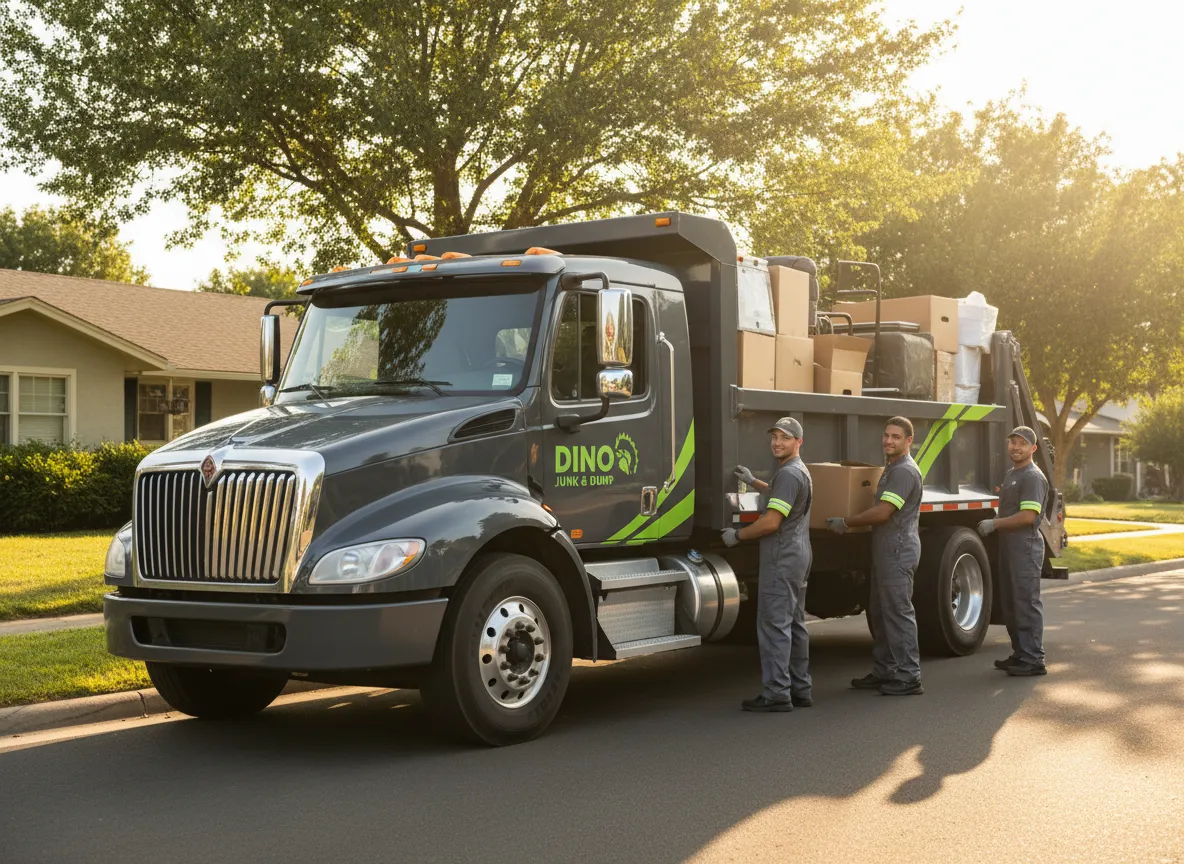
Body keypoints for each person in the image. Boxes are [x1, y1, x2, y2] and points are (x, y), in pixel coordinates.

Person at [826, 416, 924, 696]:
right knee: (881, 613)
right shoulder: (892, 468)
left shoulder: (904, 471)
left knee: (898, 613)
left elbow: (883, 512)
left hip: (898, 550)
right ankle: (885, 670)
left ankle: (909, 676)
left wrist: (846, 522)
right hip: (887, 550)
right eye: (886, 435)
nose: (889, 441)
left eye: (896, 437)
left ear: (908, 441)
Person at [721, 417, 813, 712]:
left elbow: (771, 522)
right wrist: (754, 482)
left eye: (784, 438)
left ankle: (776, 692)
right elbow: (778, 495)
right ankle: (800, 688)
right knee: (795, 624)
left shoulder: (788, 474)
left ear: (798, 442)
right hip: (798, 554)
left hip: (781, 557)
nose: (777, 442)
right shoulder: (795, 472)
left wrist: (737, 535)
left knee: (774, 624)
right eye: (774, 437)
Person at [977, 426, 1049, 676]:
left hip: (1024, 548)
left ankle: (1034, 659)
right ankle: (1021, 654)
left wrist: (994, 524)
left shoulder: (1032, 476)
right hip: (1009, 546)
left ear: (1033, 448)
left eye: (1022, 443)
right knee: (1010, 603)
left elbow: (1028, 516)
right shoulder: (1012, 473)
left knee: (1025, 602)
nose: (1016, 447)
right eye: (1013, 442)